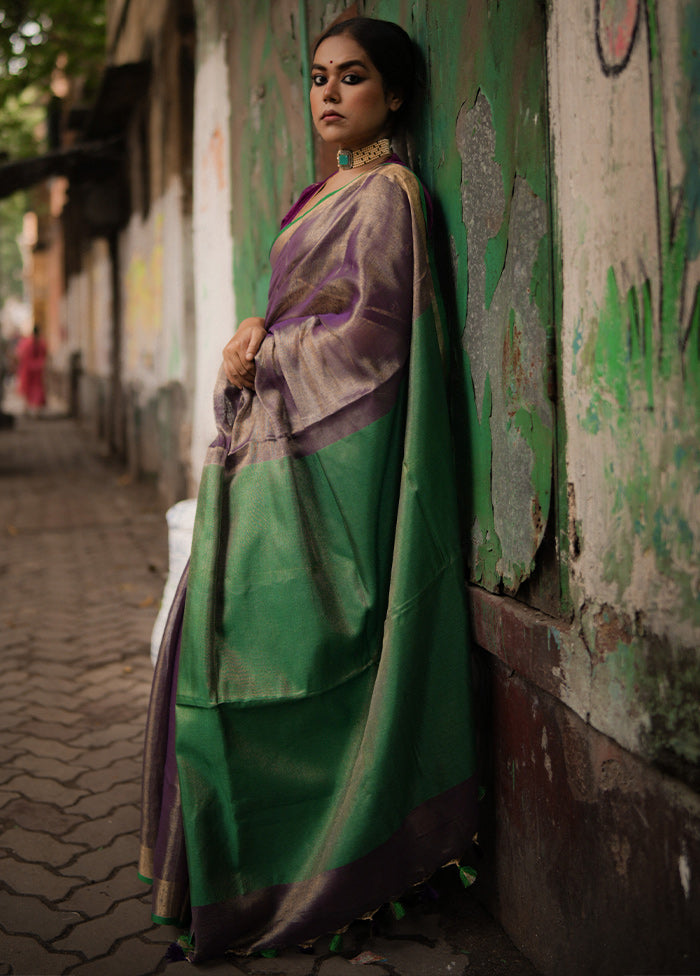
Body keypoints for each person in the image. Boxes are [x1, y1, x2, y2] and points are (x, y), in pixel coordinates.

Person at [140, 17, 477, 963]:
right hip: (280, 459)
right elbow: (305, 307)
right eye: (320, 77)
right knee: (206, 649)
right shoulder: (316, 197)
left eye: (354, 77)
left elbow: (373, 338)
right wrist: (257, 327)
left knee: (285, 662)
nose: (329, 94)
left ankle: (328, 868)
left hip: (344, 466)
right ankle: (238, 876)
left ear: (395, 94)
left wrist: (272, 353)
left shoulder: (388, 195)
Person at [16, 325, 47, 415]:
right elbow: (45, 354)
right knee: (37, 387)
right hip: (38, 368)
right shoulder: (41, 342)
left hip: (28, 368)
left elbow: (21, 355)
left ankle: (28, 407)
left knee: (28, 388)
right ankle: (36, 409)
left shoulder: (27, 343)